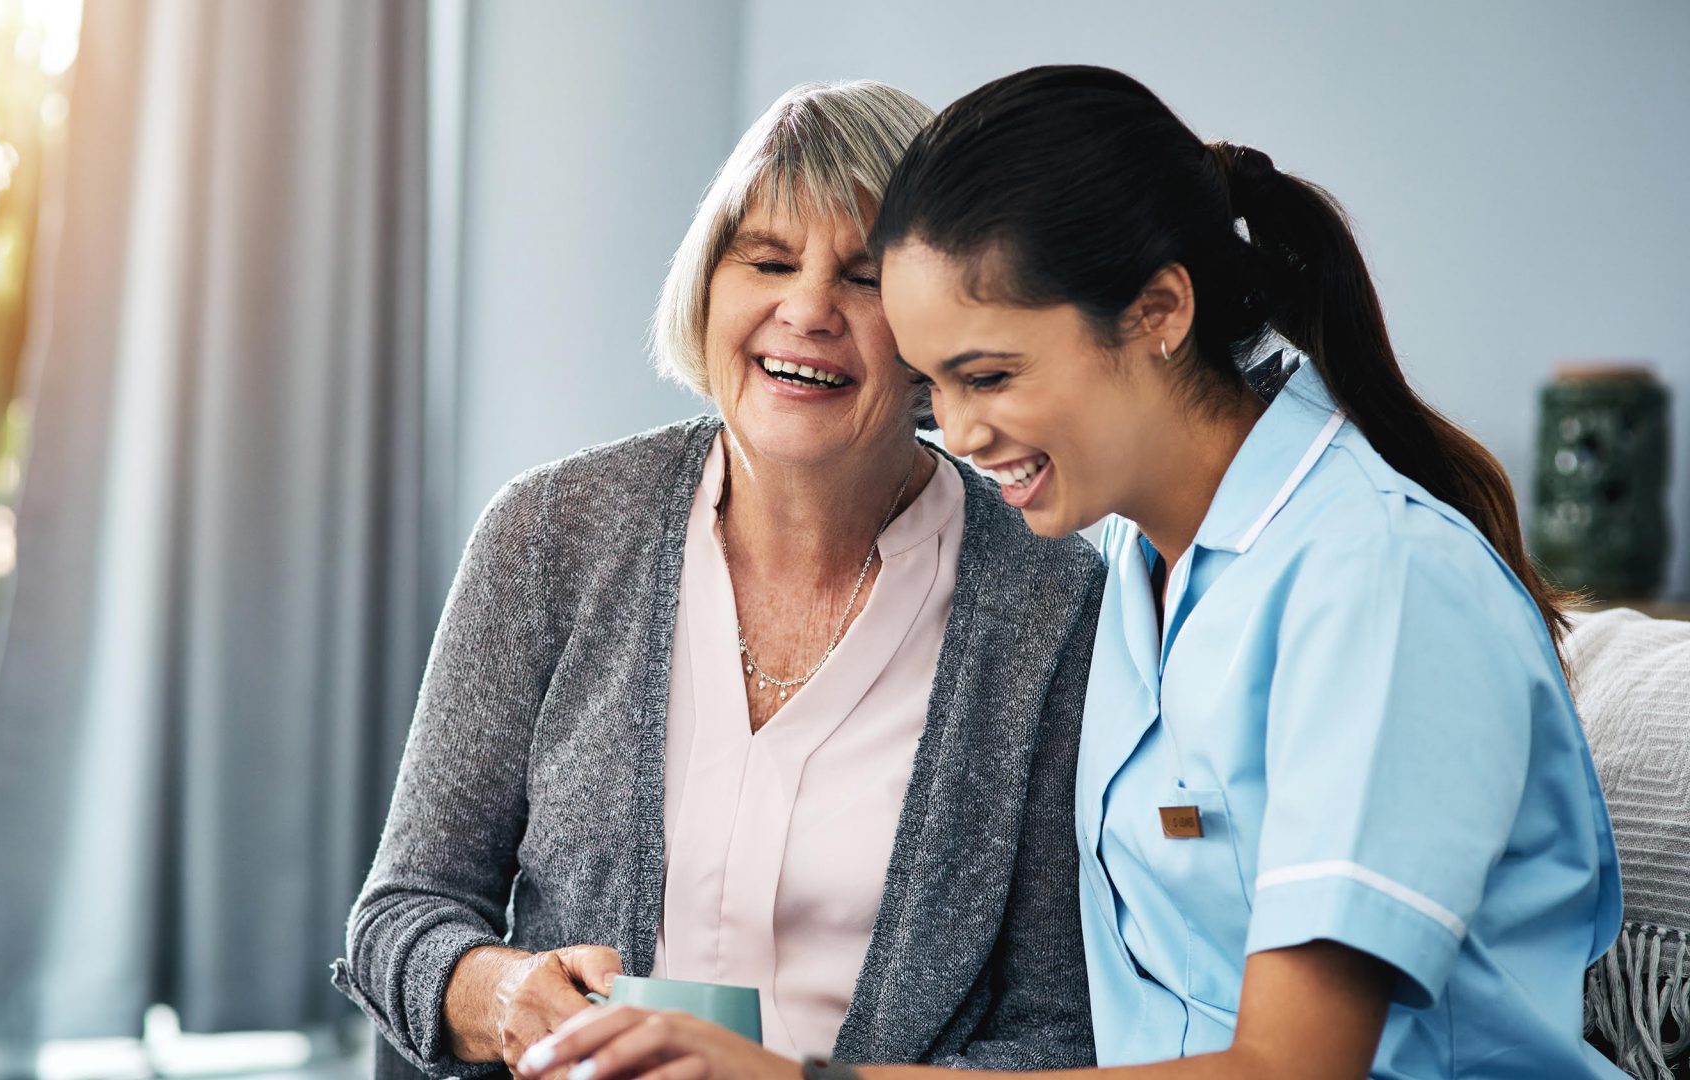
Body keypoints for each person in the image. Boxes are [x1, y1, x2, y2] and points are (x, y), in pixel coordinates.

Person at [520, 64, 1623, 1080]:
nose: (954, 428)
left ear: (1158, 314)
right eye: (934, 382)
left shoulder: (1376, 583)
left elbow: (1292, 1070)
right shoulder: (1135, 571)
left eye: (989, 375)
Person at [335, 79, 1104, 1080]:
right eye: (770, 261)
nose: (807, 310)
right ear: (706, 287)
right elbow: (396, 920)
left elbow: (1057, 1035)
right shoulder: (550, 534)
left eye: (865, 279)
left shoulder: (1049, 602)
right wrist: (501, 996)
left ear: (937, 330)